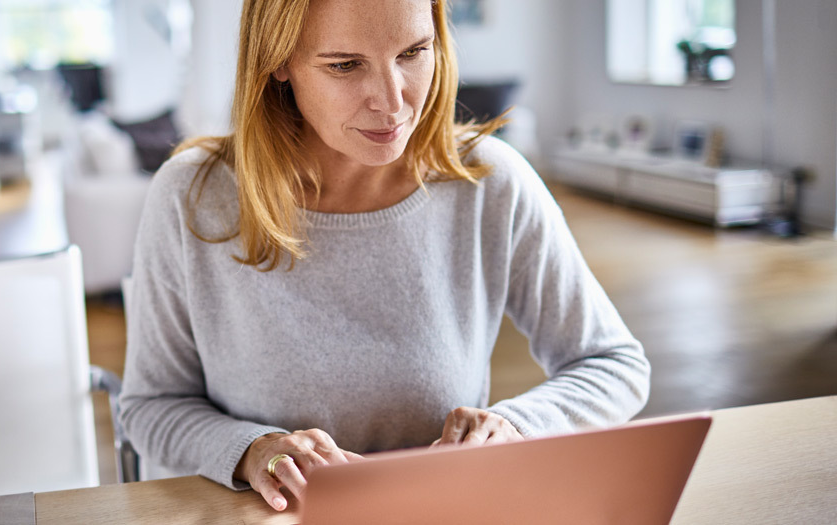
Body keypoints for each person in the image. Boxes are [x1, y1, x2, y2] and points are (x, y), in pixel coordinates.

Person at [118, 0, 651, 512]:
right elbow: (151, 406)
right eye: (346, 65)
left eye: (414, 52)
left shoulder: (490, 182)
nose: (393, 100)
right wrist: (254, 450)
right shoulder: (193, 194)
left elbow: (613, 364)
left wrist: (517, 426)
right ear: (279, 62)